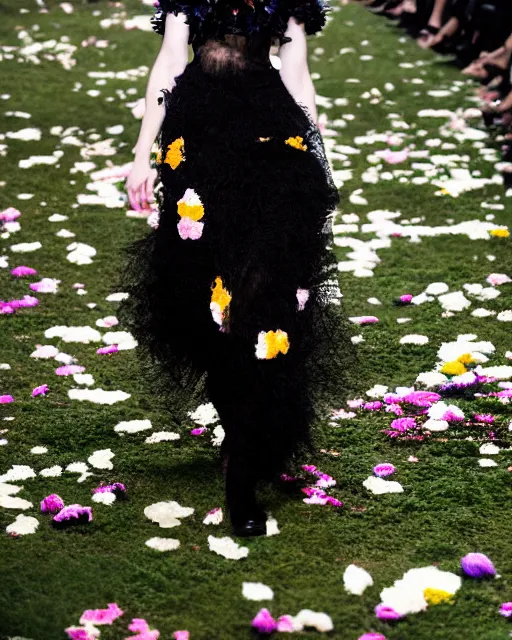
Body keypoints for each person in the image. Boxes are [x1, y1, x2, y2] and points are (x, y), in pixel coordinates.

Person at [120, 0, 350, 537]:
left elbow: (296, 74)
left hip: (271, 142)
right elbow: (171, 60)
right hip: (196, 141)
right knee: (206, 306)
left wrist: (320, 157)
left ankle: (241, 483)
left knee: (262, 301)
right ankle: (239, 435)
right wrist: (140, 153)